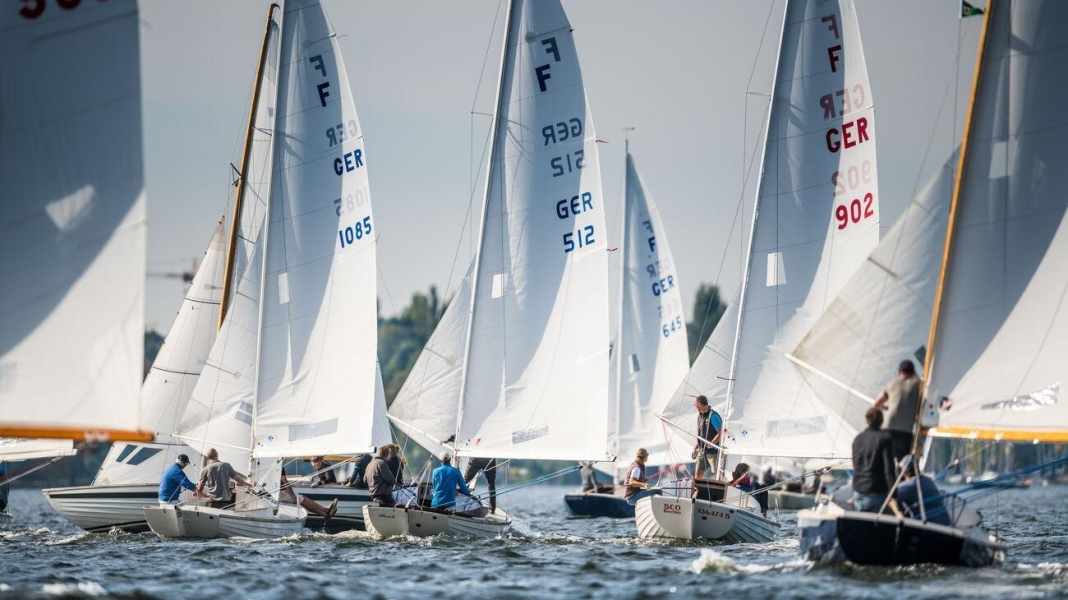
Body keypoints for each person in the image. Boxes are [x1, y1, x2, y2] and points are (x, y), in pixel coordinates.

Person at [875, 359, 924, 462]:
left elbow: (877, 404)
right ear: (913, 371)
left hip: (887, 428)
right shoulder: (919, 384)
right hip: (905, 431)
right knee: (903, 462)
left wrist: (887, 408)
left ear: (899, 371)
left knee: (886, 460)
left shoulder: (892, 383)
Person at [851, 408, 898, 513]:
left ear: (867, 421)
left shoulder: (857, 439)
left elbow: (855, 465)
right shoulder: (885, 438)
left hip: (858, 491)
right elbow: (889, 470)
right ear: (881, 421)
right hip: (876, 493)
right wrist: (894, 495)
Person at [692, 395, 723, 481]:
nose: (697, 409)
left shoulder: (713, 416)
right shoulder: (700, 416)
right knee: (697, 475)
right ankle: (697, 491)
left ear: (704, 405)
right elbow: (700, 434)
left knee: (711, 477)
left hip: (712, 453)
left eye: (698, 406)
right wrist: (696, 447)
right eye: (696, 407)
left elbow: (721, 433)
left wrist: (712, 443)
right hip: (702, 451)